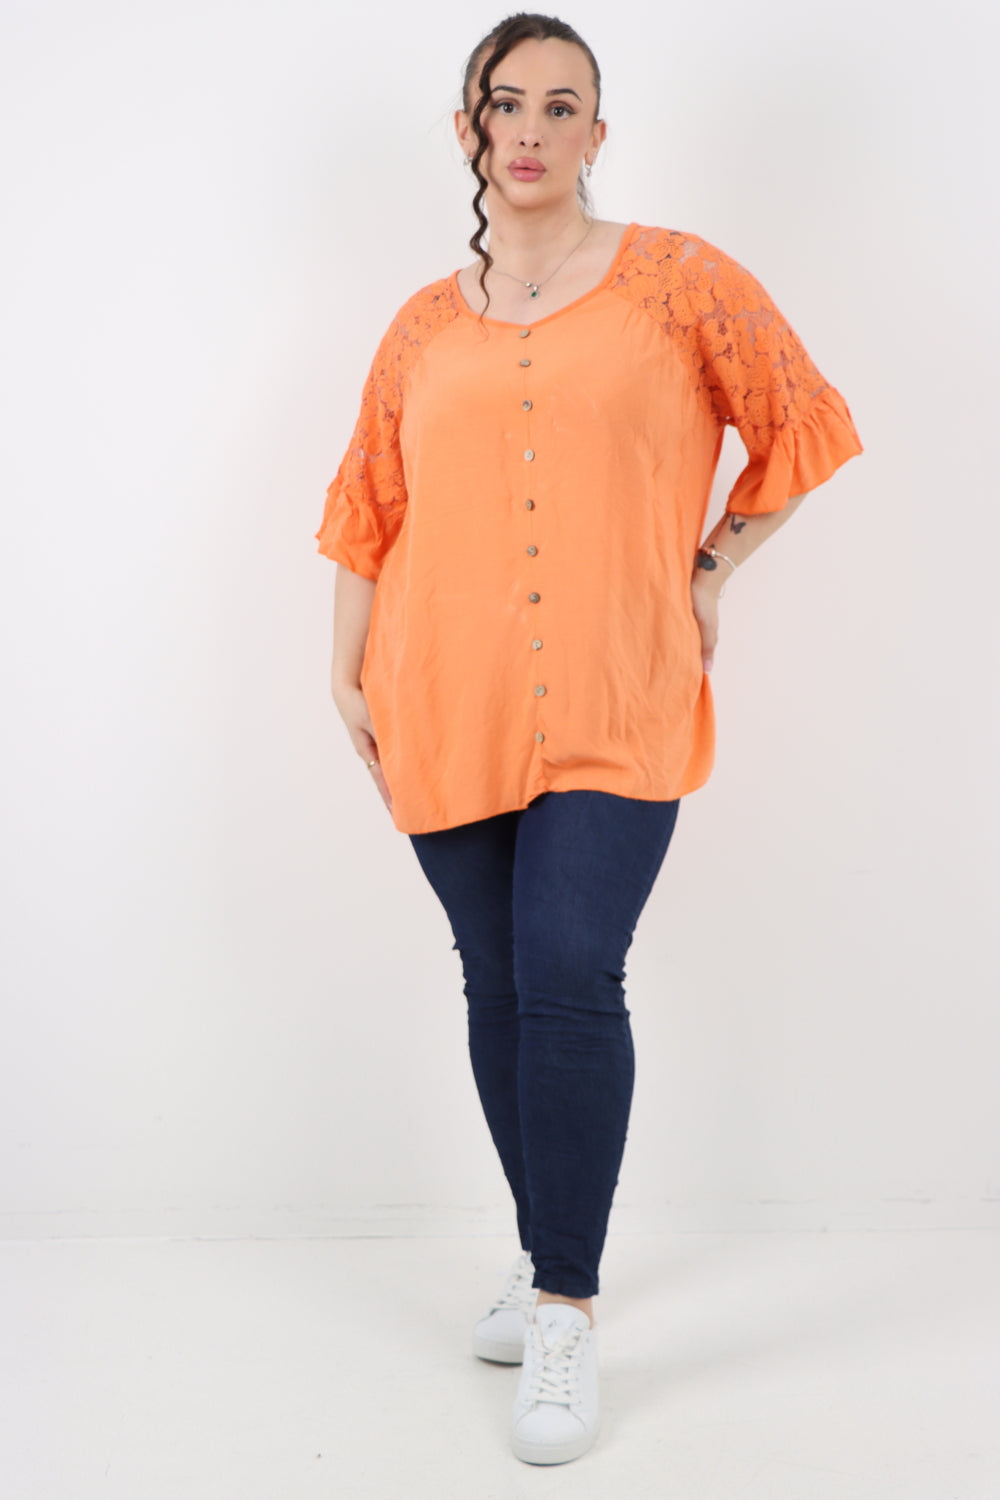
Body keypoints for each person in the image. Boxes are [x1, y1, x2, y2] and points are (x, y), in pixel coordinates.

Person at [315, 11, 863, 1468]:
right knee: (498, 982)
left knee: (569, 969)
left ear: (599, 135)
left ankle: (565, 1305)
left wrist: (711, 569)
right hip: (445, 691)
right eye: (508, 104)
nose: (534, 130)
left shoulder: (682, 281)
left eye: (565, 107)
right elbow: (368, 503)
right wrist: (342, 670)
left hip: (620, 688)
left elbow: (799, 423)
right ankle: (541, 1241)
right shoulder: (422, 325)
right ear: (469, 130)